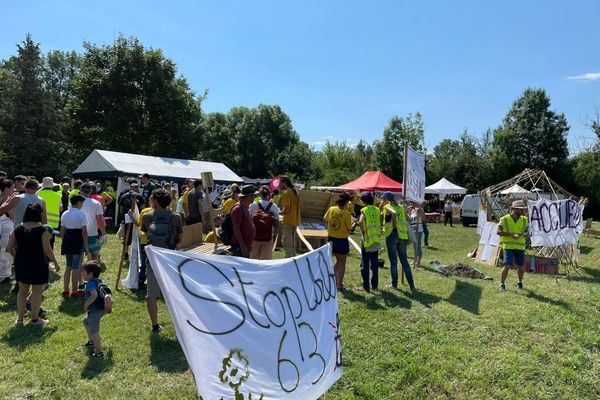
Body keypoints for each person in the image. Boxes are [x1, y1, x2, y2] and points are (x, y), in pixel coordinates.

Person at [7, 203, 60, 326]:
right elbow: (47, 250)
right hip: (38, 263)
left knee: (22, 292)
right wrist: (56, 263)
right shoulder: (43, 229)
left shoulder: (18, 228)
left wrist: (16, 258)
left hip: (21, 263)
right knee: (37, 291)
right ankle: (34, 320)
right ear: (39, 214)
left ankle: (19, 320)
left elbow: (9, 248)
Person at [141, 188, 183, 333]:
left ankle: (155, 325)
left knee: (151, 293)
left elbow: (147, 235)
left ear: (156, 202)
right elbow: (179, 239)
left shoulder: (147, 217)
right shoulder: (176, 217)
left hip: (153, 258)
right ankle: (180, 323)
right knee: (174, 292)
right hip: (170, 259)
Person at [382, 192, 416, 291]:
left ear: (386, 199)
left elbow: (394, 213)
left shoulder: (387, 206)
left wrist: (394, 226)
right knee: (404, 261)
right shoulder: (401, 207)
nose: (382, 200)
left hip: (392, 235)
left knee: (393, 262)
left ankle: (394, 285)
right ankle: (412, 286)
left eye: (383, 198)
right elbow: (409, 220)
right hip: (403, 236)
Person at [324, 192, 355, 291]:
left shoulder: (331, 209)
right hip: (342, 240)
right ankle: (339, 284)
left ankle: (330, 279)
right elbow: (350, 229)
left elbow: (325, 219)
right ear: (346, 202)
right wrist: (355, 223)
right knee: (342, 263)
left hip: (331, 239)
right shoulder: (346, 213)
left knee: (338, 260)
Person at [82, 260, 112, 358]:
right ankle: (91, 342)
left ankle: (99, 352)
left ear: (90, 274)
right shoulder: (98, 281)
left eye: (83, 272)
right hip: (102, 308)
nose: (82, 273)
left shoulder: (90, 284)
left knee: (94, 332)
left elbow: (94, 295)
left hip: (95, 311)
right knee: (86, 321)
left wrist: (86, 304)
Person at [60, 195, 88, 297]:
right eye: (82, 203)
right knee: (76, 266)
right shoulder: (81, 214)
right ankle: (75, 291)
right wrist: (85, 243)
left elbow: (62, 230)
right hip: (77, 239)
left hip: (68, 239)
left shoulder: (65, 213)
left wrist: (64, 241)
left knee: (68, 266)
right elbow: (84, 231)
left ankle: (66, 290)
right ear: (79, 202)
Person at [498, 200, 529, 291]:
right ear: (514, 209)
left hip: (520, 246)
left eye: (523, 209)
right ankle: (502, 284)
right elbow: (498, 232)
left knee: (521, 266)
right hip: (508, 246)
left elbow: (527, 230)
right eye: (521, 209)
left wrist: (526, 234)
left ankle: (520, 282)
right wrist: (511, 235)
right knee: (507, 265)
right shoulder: (504, 219)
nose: (523, 211)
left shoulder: (524, 219)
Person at [358, 192, 381, 292]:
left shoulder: (364, 210)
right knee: (375, 264)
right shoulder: (377, 209)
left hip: (367, 240)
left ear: (364, 201)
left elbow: (360, 221)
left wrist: (363, 231)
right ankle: (375, 286)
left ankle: (366, 287)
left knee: (365, 264)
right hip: (376, 239)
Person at [132, 193, 156, 289]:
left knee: (145, 262)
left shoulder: (145, 211)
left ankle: (141, 280)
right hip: (158, 241)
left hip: (145, 240)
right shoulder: (165, 211)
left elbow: (139, 224)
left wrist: (131, 216)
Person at [249, 185, 280, 260]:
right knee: (266, 262)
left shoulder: (253, 205)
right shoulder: (274, 207)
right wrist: (274, 237)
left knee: (253, 260)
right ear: (269, 194)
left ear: (259, 194)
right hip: (268, 238)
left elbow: (250, 222)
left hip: (255, 237)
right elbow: (276, 225)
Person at [80, 182, 106, 261]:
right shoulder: (96, 203)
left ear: (81, 191)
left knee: (79, 257)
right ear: (91, 191)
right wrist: (103, 233)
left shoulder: (74, 202)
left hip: (78, 233)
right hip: (92, 233)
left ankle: (81, 271)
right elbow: (100, 219)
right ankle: (90, 271)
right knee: (94, 256)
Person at [230, 185, 257, 258]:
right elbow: (236, 228)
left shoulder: (245, 207)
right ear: (248, 196)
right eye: (253, 195)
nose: (254, 198)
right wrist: (242, 246)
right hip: (239, 248)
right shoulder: (238, 209)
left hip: (245, 246)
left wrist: (249, 244)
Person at [37, 177, 63, 250]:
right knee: (51, 241)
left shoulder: (38, 193)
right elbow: (61, 209)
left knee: (40, 240)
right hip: (53, 223)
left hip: (40, 221)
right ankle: (49, 258)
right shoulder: (57, 195)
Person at [279, 176, 301, 258]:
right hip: (295, 222)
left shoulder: (286, 193)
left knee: (287, 244)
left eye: (280, 182)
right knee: (292, 245)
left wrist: (277, 212)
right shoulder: (295, 191)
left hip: (288, 222)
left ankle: (289, 263)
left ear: (284, 182)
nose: (279, 185)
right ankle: (293, 262)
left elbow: (286, 210)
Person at [0, 179, 15, 284]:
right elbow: (13, 215)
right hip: (5, 228)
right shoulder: (6, 200)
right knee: (6, 251)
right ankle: (4, 275)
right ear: (6, 189)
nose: (13, 189)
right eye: (12, 187)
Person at [410, 202, 427, 269]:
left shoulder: (420, 209)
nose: (411, 204)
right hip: (413, 229)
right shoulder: (413, 210)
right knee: (414, 246)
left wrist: (421, 210)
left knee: (418, 245)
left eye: (413, 202)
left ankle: (418, 262)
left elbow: (424, 219)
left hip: (418, 229)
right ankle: (415, 260)